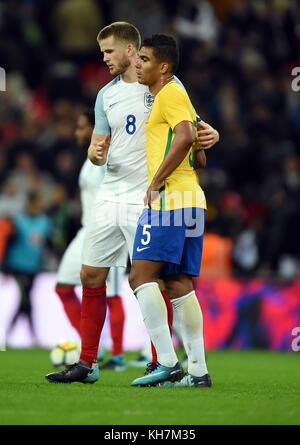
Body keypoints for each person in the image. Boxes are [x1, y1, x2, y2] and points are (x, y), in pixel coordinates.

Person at [45, 22, 218, 384]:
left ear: (129, 50)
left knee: (154, 279)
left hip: (154, 195)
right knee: (90, 274)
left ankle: (161, 361)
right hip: (112, 192)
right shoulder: (104, 96)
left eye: (109, 51)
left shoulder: (161, 86)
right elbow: (99, 148)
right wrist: (94, 153)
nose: (104, 59)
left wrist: (209, 133)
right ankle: (88, 363)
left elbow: (190, 127)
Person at [128, 34, 211, 387]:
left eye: (144, 59)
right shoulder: (179, 97)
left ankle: (166, 362)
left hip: (170, 202)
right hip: (192, 200)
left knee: (139, 276)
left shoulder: (170, 94)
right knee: (178, 283)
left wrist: (156, 180)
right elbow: (200, 154)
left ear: (163, 67)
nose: (137, 64)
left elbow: (185, 138)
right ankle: (198, 372)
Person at [55, 109, 126, 370]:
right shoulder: (90, 157)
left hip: (108, 229)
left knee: (113, 294)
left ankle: (117, 356)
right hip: (87, 230)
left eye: (81, 127)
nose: (77, 132)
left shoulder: (109, 154)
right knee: (63, 286)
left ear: (96, 127)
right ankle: (92, 343)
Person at [3, 192, 52, 343]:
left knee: (25, 301)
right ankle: (32, 334)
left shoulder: (44, 222)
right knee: (26, 299)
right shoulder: (18, 221)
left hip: (33, 268)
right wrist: (4, 265)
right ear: (29, 204)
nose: (38, 207)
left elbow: (48, 244)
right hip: (17, 266)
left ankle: (9, 334)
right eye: (35, 204)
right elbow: (7, 241)